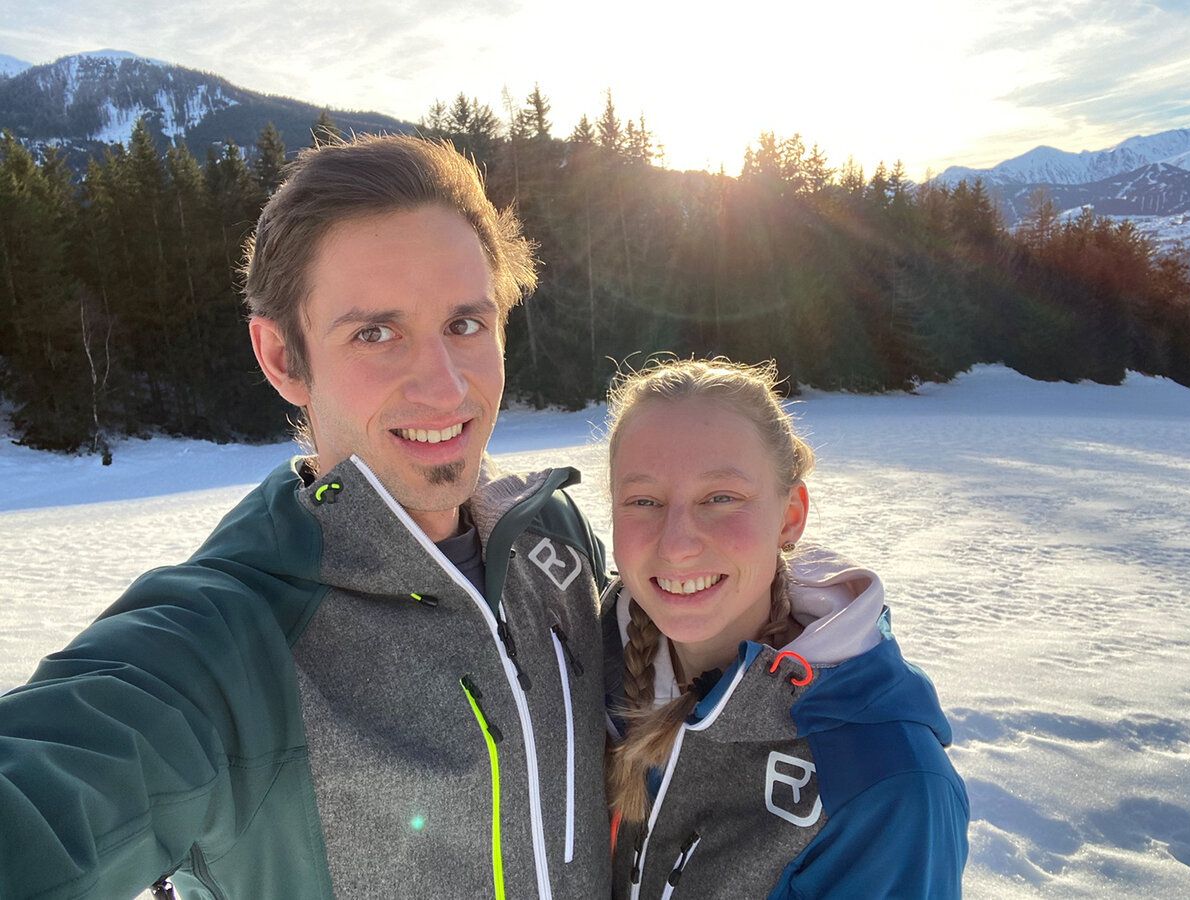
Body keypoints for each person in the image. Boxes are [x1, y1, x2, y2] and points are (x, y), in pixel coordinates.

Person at [0, 135, 612, 899]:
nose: (446, 387)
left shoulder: (553, 537)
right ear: (283, 358)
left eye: (465, 325)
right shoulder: (229, 642)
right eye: (375, 333)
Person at [602, 358, 969, 899]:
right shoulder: (577, 668)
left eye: (720, 498)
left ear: (790, 515)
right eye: (644, 501)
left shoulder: (884, 784)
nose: (676, 544)